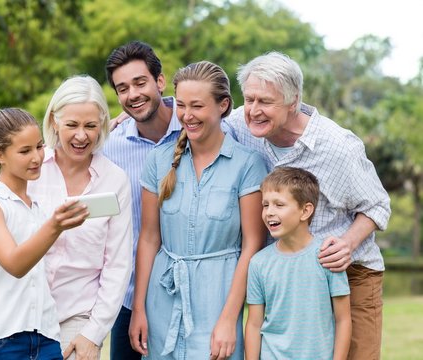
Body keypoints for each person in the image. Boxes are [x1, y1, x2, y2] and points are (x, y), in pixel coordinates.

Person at [226, 51, 391, 360]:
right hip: (284, 271)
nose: (253, 111)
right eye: (249, 99)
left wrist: (347, 244)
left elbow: (378, 204)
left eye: (265, 102)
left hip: (348, 269)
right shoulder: (239, 124)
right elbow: (199, 116)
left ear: (293, 101)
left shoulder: (338, 146)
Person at [129, 61, 268, 359]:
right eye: (180, 105)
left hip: (218, 299)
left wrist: (230, 318)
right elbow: (150, 238)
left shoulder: (248, 164)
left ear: (223, 105)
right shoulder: (158, 160)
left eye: (197, 106)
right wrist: (139, 308)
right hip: (161, 299)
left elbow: (252, 246)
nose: (187, 116)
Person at [0, 108, 89, 359]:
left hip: (45, 338)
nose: (37, 157)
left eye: (39, 146)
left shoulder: (37, 207)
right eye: (25, 151)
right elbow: (15, 263)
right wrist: (55, 226)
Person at [28, 75, 133, 360]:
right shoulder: (31, 172)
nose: (81, 135)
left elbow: (118, 266)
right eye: (72, 125)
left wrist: (93, 334)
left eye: (90, 125)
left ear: (101, 125)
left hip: (79, 320)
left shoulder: (114, 180)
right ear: (53, 122)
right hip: (23, 317)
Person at [103, 40, 182, 360]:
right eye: (122, 88)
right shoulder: (109, 147)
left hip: (191, 292)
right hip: (130, 295)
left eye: (139, 82)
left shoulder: (201, 127)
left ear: (160, 82)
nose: (132, 94)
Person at [245, 166, 352, 360]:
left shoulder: (328, 257)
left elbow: (343, 320)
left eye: (279, 204)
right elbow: (253, 324)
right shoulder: (258, 263)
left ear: (305, 211)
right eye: (265, 205)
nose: (269, 212)